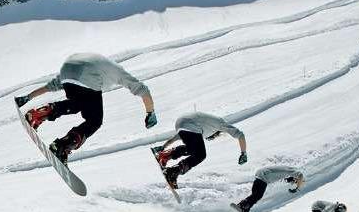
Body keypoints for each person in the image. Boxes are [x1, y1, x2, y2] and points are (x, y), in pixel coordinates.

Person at [14, 52, 156, 162]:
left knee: (78, 104)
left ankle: (39, 114)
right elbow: (143, 90)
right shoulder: (119, 72)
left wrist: (28, 97)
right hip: (88, 73)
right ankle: (63, 146)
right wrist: (151, 113)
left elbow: (52, 85)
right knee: (94, 120)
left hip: (68, 68)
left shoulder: (102, 64)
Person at [154, 112, 249, 188]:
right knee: (201, 155)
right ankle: (173, 172)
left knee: (193, 149)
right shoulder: (221, 124)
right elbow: (240, 135)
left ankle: (165, 155)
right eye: (213, 137)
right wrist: (243, 153)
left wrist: (163, 146)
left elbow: (177, 136)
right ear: (216, 132)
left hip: (180, 123)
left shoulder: (204, 125)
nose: (210, 138)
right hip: (190, 125)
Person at [230, 165, 305, 212]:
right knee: (257, 196)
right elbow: (300, 175)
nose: (295, 182)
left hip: (261, 174)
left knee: (255, 197)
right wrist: (297, 188)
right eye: (296, 181)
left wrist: (291, 180)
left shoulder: (288, 171)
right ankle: (240, 206)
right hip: (264, 176)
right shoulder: (294, 170)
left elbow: (282, 175)